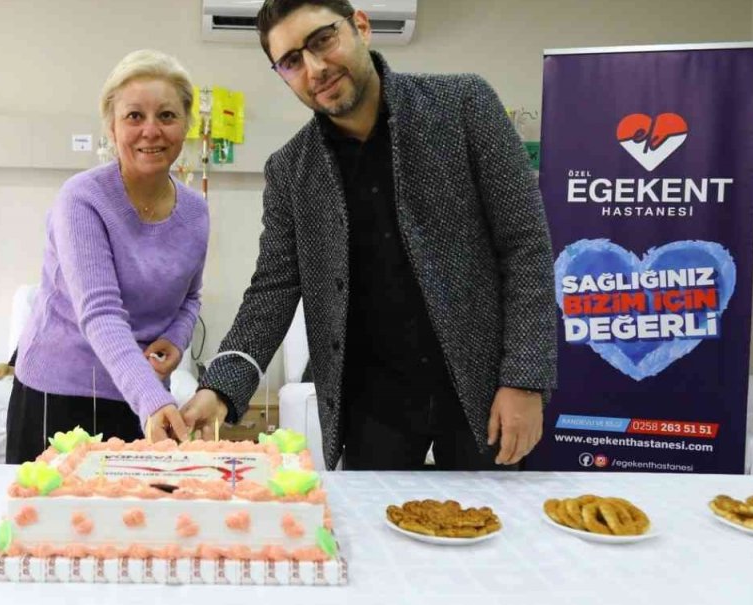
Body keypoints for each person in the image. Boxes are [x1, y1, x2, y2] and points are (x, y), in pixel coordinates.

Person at [182, 0, 556, 471]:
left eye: (323, 40)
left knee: (492, 518)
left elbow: (525, 247)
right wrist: (219, 388)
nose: (315, 68)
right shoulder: (291, 170)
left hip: (480, 390)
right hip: (372, 407)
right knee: (375, 521)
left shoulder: (463, 106)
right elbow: (272, 289)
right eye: (292, 61)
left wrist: (524, 379)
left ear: (360, 26)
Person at [4, 50, 208, 464]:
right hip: (62, 395)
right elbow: (100, 313)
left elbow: (191, 297)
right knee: (54, 507)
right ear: (112, 127)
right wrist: (152, 400)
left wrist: (176, 338)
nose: (151, 130)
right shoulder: (82, 199)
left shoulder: (195, 211)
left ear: (186, 124)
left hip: (144, 394)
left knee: (142, 506)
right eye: (134, 116)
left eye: (167, 115)